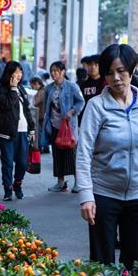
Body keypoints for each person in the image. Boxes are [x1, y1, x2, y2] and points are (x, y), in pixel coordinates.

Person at [76, 44, 138, 267]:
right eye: (110, 72)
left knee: (137, 263)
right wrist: (86, 195)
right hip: (104, 194)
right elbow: (83, 152)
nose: (116, 78)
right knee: (101, 264)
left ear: (132, 71)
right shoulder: (96, 107)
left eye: (121, 71)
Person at [0, 61, 36, 201]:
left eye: (20, 72)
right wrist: (12, 89)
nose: (19, 75)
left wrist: (32, 128)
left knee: (23, 163)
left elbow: (26, 110)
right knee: (7, 163)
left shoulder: (21, 89)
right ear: (9, 73)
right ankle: (8, 190)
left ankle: (17, 184)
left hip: (23, 132)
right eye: (16, 72)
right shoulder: (2, 90)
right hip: (6, 132)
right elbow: (5, 106)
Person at [41, 61, 85, 192]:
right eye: (52, 71)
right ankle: (60, 183)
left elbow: (81, 102)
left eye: (56, 71)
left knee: (72, 155)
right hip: (54, 126)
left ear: (63, 71)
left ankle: (78, 183)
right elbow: (46, 107)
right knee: (57, 155)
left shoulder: (72, 86)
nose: (53, 73)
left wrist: (72, 111)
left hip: (68, 127)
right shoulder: (49, 88)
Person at [78, 55, 104, 119]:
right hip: (87, 117)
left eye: (96, 65)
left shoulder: (105, 83)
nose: (93, 67)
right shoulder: (83, 85)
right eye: (90, 65)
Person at [30, 76, 47, 149]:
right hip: (42, 115)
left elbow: (35, 102)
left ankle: (40, 147)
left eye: (32, 85)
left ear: (37, 84)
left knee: (40, 132)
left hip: (40, 115)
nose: (32, 87)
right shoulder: (43, 90)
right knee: (42, 132)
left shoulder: (41, 92)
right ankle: (44, 147)